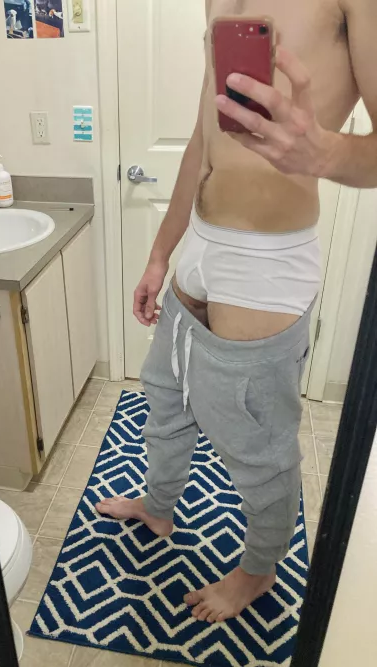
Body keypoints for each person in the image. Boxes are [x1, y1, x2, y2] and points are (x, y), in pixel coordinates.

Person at [97, 0, 377, 624]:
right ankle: (159, 508)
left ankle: (259, 568)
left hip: (266, 261)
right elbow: (204, 137)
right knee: (165, 396)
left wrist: (325, 153)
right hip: (199, 243)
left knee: (256, 445)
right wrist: (160, 254)